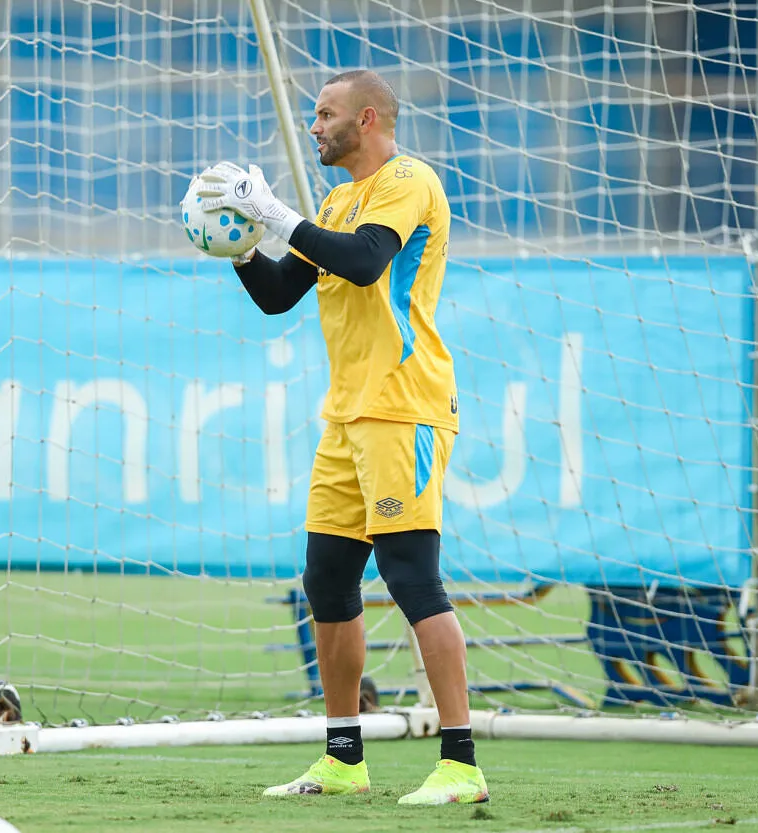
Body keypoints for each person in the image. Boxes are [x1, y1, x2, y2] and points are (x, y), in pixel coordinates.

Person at [196, 69, 487, 806]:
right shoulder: (336, 198)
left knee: (412, 577)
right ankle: (343, 755)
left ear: (366, 119)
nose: (314, 125)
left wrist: (276, 214)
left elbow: (362, 264)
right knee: (327, 580)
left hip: (403, 406)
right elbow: (277, 296)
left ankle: (460, 764)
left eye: (325, 114)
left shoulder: (408, 180)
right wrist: (234, 240)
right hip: (347, 413)